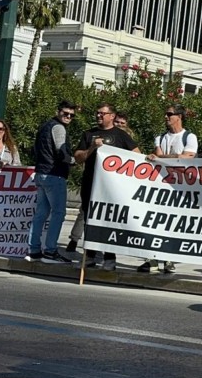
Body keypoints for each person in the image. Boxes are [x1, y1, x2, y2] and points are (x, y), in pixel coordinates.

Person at [74, 102, 139, 270]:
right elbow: (78, 157)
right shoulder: (89, 134)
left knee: (109, 221)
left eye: (102, 113)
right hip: (91, 183)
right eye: (97, 113)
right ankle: (89, 255)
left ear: (112, 116)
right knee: (90, 220)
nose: (98, 116)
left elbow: (137, 156)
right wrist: (92, 148)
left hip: (112, 187)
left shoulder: (120, 135)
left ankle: (110, 258)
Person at [139, 103, 197, 274]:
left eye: (169, 114)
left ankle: (169, 258)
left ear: (179, 116)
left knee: (173, 223)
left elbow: (188, 157)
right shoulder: (161, 137)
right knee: (155, 222)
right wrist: (174, 157)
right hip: (160, 184)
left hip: (179, 186)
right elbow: (160, 155)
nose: (166, 117)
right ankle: (153, 259)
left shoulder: (189, 137)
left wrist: (165, 157)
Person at [26, 101, 77, 264]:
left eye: (71, 115)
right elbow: (61, 151)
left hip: (41, 173)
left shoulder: (44, 126)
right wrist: (73, 160)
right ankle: (50, 251)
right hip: (54, 174)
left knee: (41, 213)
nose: (68, 117)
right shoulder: (58, 127)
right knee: (58, 213)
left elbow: (35, 149)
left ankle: (33, 250)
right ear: (58, 111)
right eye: (65, 113)